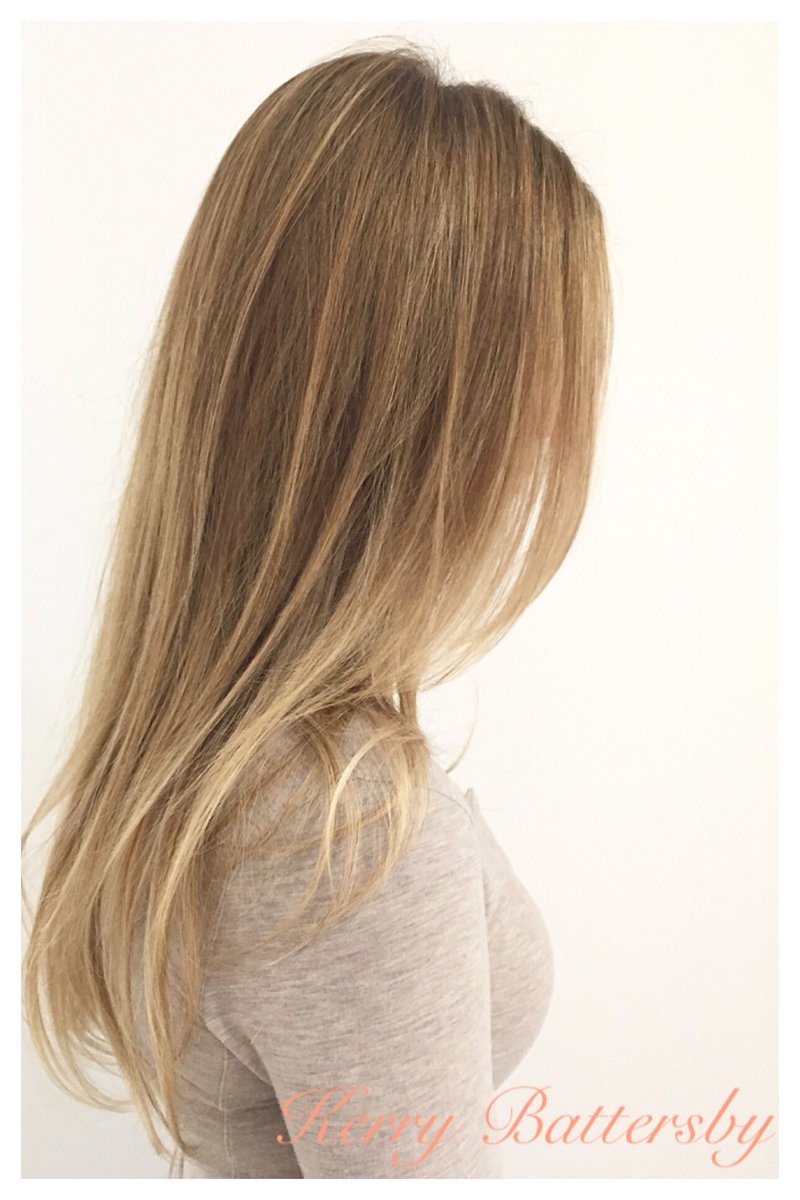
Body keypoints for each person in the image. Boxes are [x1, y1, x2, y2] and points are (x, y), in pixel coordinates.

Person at [22, 39, 613, 1178]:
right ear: (447, 407)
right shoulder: (349, 838)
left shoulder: (214, 767)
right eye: (547, 377)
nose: (551, 435)